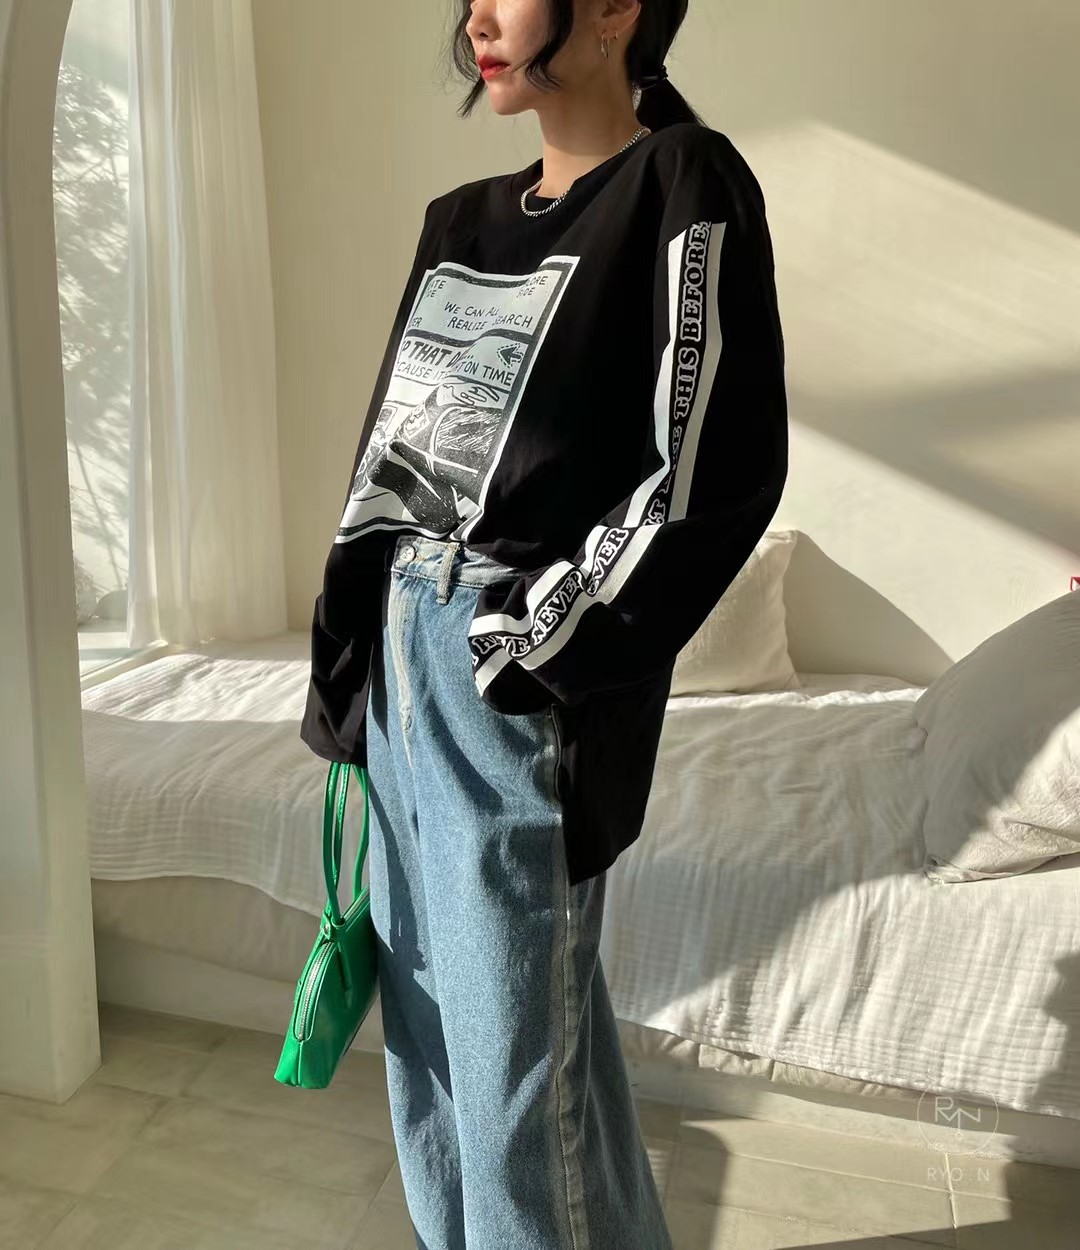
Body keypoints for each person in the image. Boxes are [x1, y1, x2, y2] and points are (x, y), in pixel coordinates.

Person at [300, 1, 788, 1245]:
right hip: (404, 649)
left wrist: (539, 638)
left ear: (617, 7)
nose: (476, 14)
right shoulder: (459, 221)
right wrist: (349, 654)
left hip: (512, 665)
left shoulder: (682, 181)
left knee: (517, 1081)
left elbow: (706, 463)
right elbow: (392, 451)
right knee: (436, 1054)